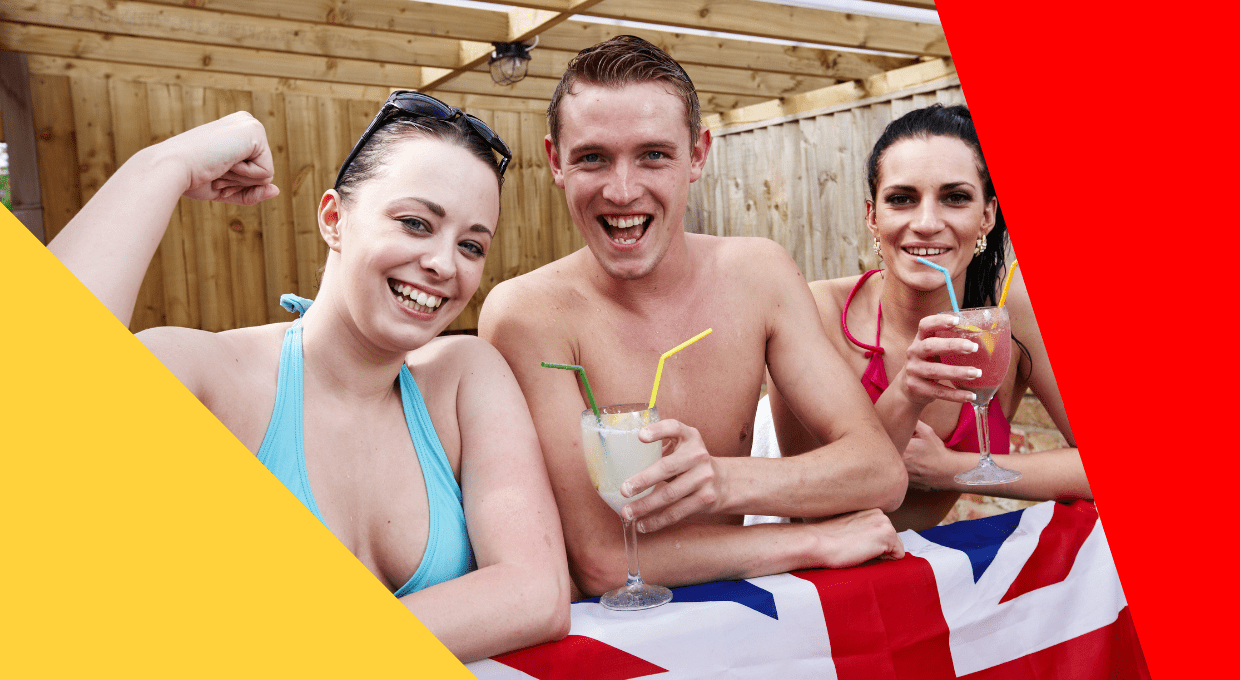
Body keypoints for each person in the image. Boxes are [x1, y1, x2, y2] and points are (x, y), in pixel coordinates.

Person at [46, 93, 571, 661]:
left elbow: (537, 593)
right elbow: (41, 385)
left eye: (471, 245)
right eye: (416, 223)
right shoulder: (212, 377)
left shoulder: (465, 375)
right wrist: (165, 165)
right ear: (333, 219)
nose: (444, 264)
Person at [478, 35, 906, 598]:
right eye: (592, 158)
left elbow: (879, 470)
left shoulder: (760, 274)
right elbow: (605, 563)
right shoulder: (527, 314)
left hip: (739, 619)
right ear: (557, 162)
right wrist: (813, 543)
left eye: (654, 154)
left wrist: (725, 482)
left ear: (698, 154)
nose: (622, 190)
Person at [768, 104, 1091, 532]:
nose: (926, 223)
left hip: (928, 569)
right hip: (819, 573)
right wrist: (906, 393)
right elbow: (811, 513)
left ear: (987, 216)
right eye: (901, 199)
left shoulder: (1009, 312)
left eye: (955, 198)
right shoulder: (816, 311)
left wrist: (950, 469)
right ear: (872, 217)